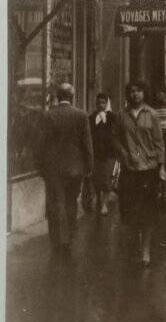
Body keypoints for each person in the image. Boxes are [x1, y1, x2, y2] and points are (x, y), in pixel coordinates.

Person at [112, 81, 166, 266]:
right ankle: (135, 242)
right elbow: (116, 138)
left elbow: (159, 142)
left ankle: (145, 250)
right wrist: (124, 154)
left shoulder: (151, 114)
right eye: (132, 91)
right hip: (129, 169)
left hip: (148, 168)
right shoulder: (121, 115)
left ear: (144, 93)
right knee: (129, 210)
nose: (135, 94)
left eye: (139, 91)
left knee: (148, 210)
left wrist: (162, 166)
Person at [38, 83, 93, 255]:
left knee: (55, 204)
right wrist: (89, 166)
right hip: (75, 169)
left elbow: (41, 143)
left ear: (58, 97)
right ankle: (69, 239)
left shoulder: (48, 115)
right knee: (71, 203)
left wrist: (40, 167)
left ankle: (57, 241)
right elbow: (87, 144)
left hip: (53, 169)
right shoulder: (81, 115)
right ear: (71, 97)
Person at [89, 92, 116, 215]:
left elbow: (116, 134)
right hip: (95, 153)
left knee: (106, 179)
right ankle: (97, 200)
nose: (101, 105)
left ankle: (104, 204)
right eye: (99, 102)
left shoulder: (112, 117)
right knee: (95, 178)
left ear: (107, 103)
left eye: (103, 102)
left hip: (108, 153)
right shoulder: (91, 117)